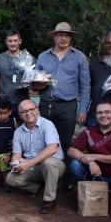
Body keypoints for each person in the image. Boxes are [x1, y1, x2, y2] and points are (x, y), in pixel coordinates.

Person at [34, 22, 90, 176]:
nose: (64, 38)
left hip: (68, 105)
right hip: (46, 103)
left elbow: (86, 85)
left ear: (71, 37)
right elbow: (34, 82)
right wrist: (37, 85)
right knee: (44, 139)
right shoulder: (43, 57)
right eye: (61, 34)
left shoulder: (79, 57)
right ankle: (44, 174)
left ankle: (64, 176)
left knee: (65, 141)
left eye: (67, 35)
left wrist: (83, 109)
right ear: (54, 36)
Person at [66, 100, 111, 209]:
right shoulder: (90, 131)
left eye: (107, 112)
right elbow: (71, 150)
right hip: (97, 173)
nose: (103, 115)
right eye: (100, 113)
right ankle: (90, 192)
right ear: (95, 115)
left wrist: (94, 156)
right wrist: (90, 161)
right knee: (75, 164)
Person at [8, 99, 66, 214]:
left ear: (38, 110)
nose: (28, 113)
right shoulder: (18, 132)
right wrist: (16, 163)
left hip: (55, 164)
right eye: (24, 111)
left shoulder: (47, 125)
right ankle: (38, 188)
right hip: (34, 167)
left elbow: (52, 148)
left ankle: (49, 200)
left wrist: (28, 163)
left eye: (31, 109)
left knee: (48, 162)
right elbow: (17, 155)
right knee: (11, 178)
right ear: (20, 115)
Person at [0, 29, 30, 119]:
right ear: (6, 42)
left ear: (20, 41)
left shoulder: (28, 57)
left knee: (24, 128)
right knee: (6, 129)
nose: (13, 44)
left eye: (15, 41)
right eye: (10, 41)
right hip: (4, 102)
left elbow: (35, 76)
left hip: (23, 101)